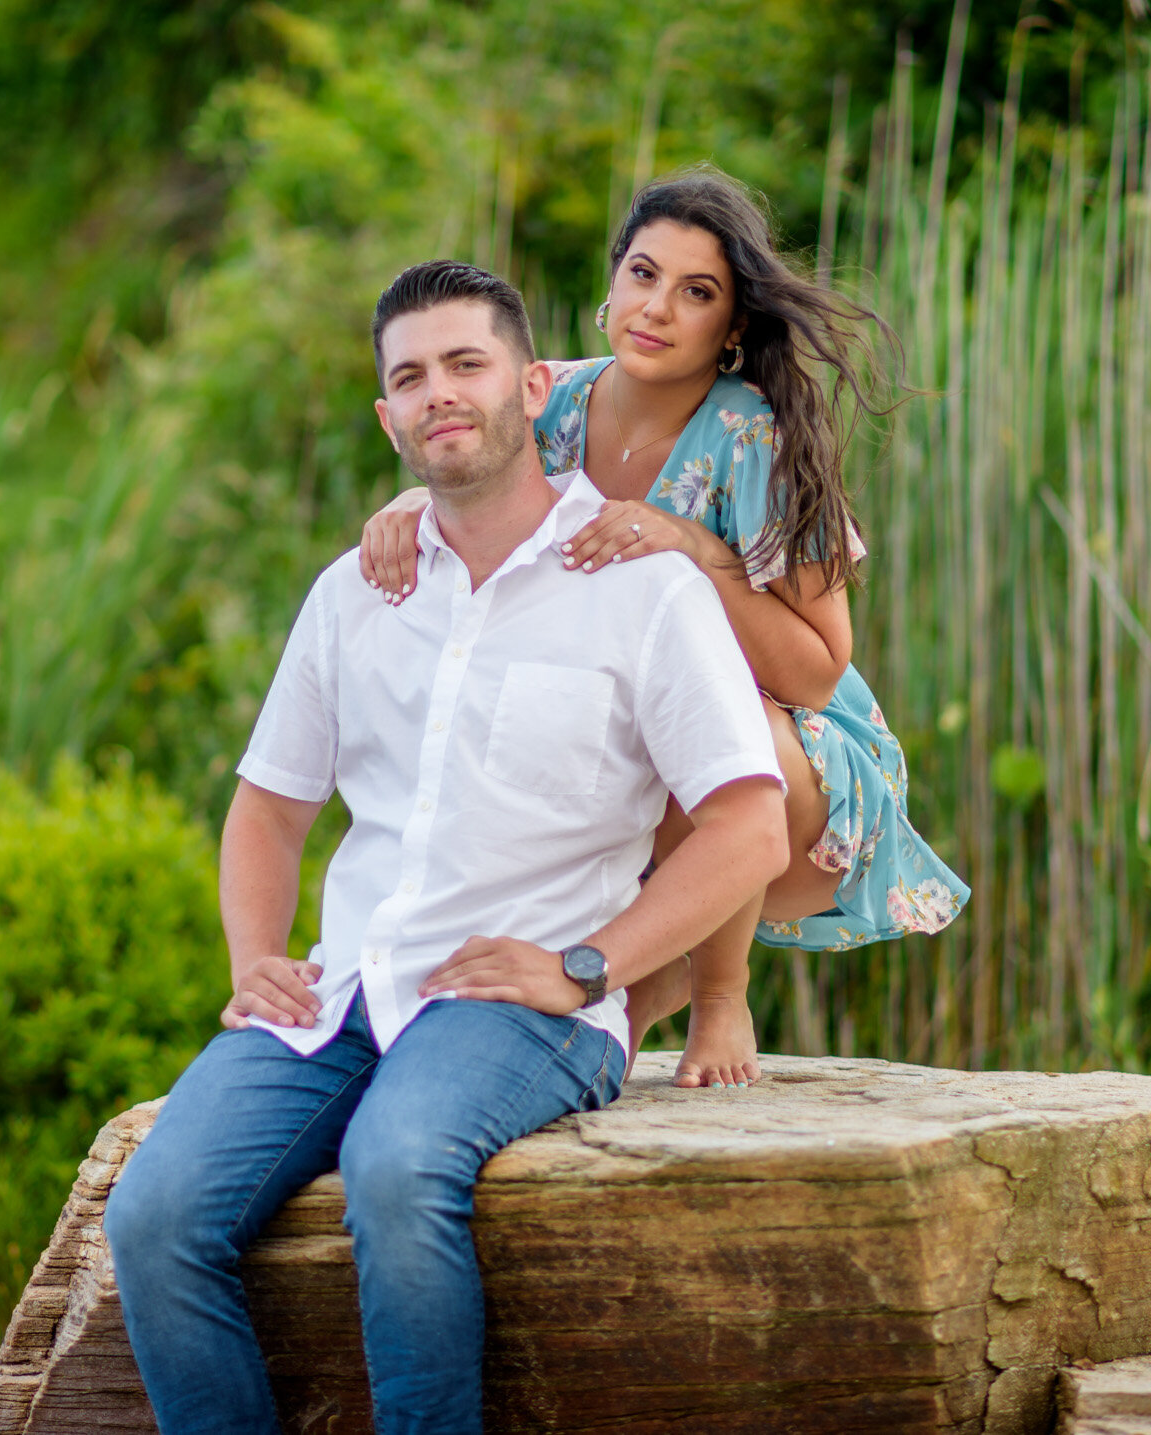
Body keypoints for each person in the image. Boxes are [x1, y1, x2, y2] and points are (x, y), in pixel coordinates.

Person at [102, 259, 791, 1435]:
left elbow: (749, 823)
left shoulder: (638, 588)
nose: (439, 394)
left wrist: (587, 965)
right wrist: (253, 954)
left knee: (395, 1162)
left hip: (519, 1006)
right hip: (348, 987)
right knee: (153, 1211)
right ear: (387, 418)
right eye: (409, 377)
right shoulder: (353, 591)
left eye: (465, 364)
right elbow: (268, 807)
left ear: (531, 387)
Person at [357, 168, 970, 1091]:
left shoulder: (753, 438)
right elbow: (457, 453)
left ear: (731, 328)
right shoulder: (548, 401)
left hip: (793, 766)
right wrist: (410, 499)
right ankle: (599, 1005)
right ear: (610, 286)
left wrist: (692, 546)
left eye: (698, 293)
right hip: (621, 747)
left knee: (712, 718)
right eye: (643, 274)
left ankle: (722, 995)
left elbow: (815, 673)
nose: (657, 308)